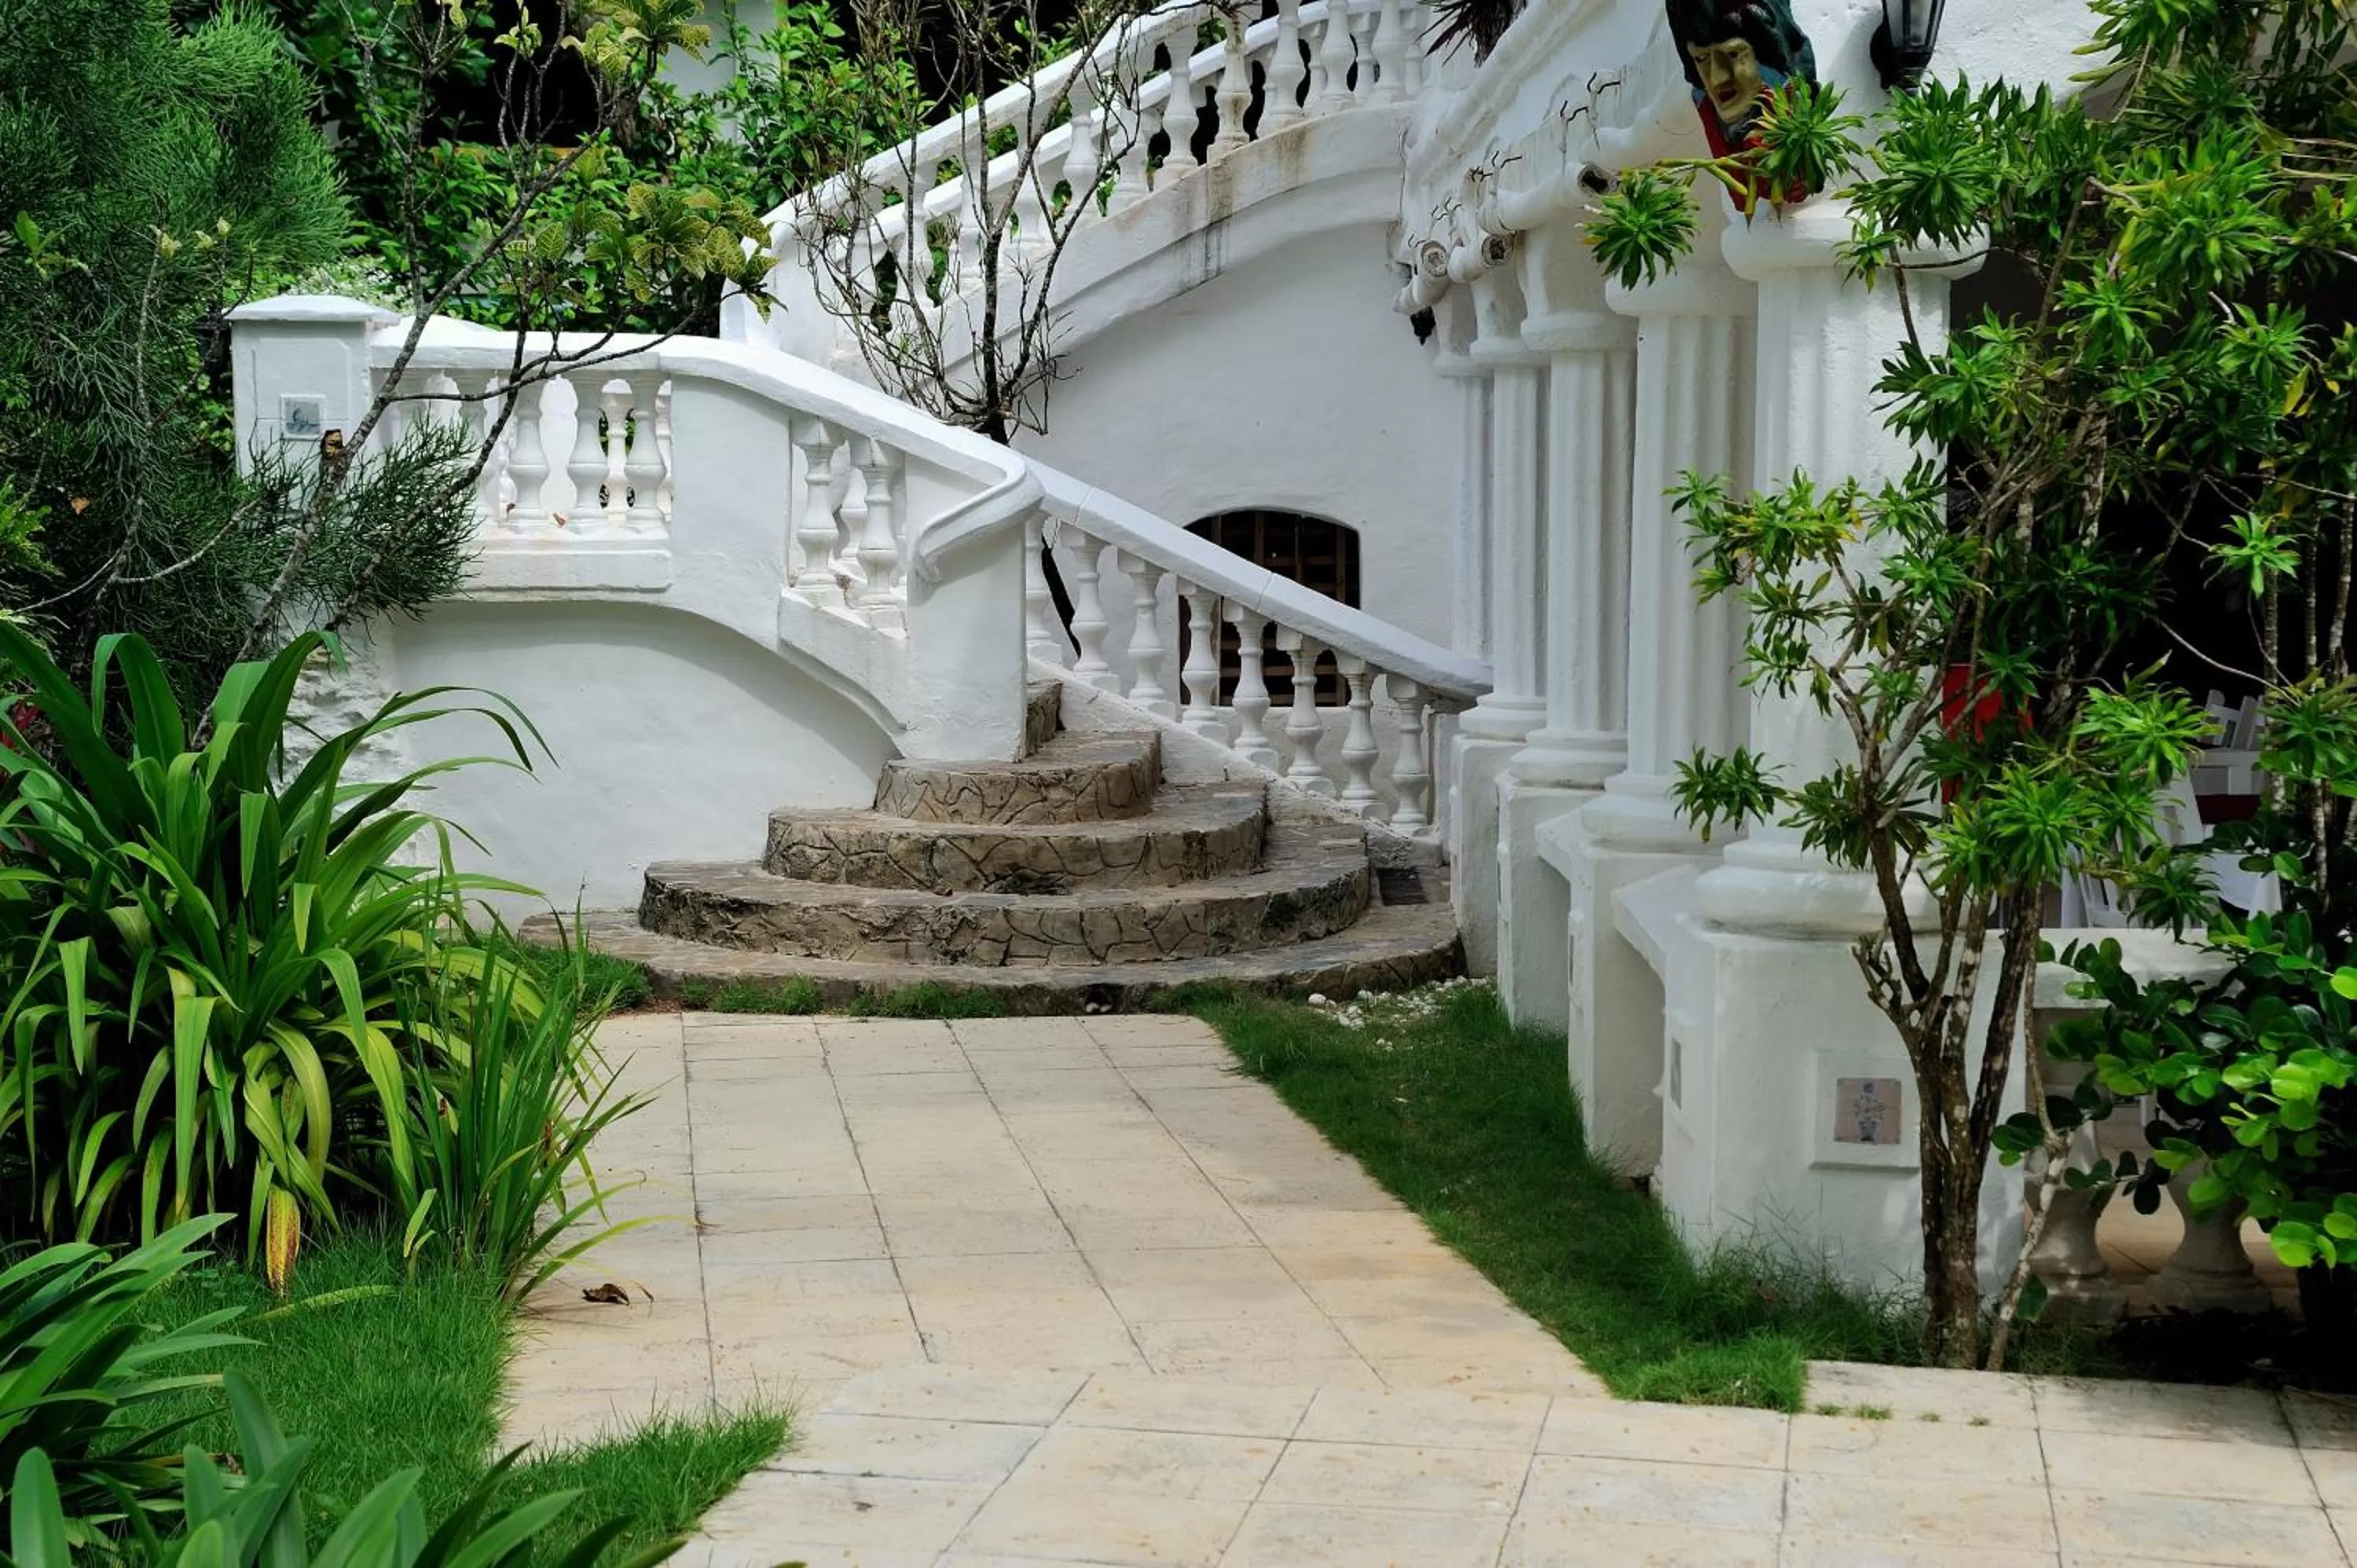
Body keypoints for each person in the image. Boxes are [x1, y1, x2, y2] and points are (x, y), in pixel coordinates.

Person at [1665, 0, 1820, 189]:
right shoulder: (1715, 119)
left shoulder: (1787, 92)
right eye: (1702, 59)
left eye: (1733, 54)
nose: (1718, 78)